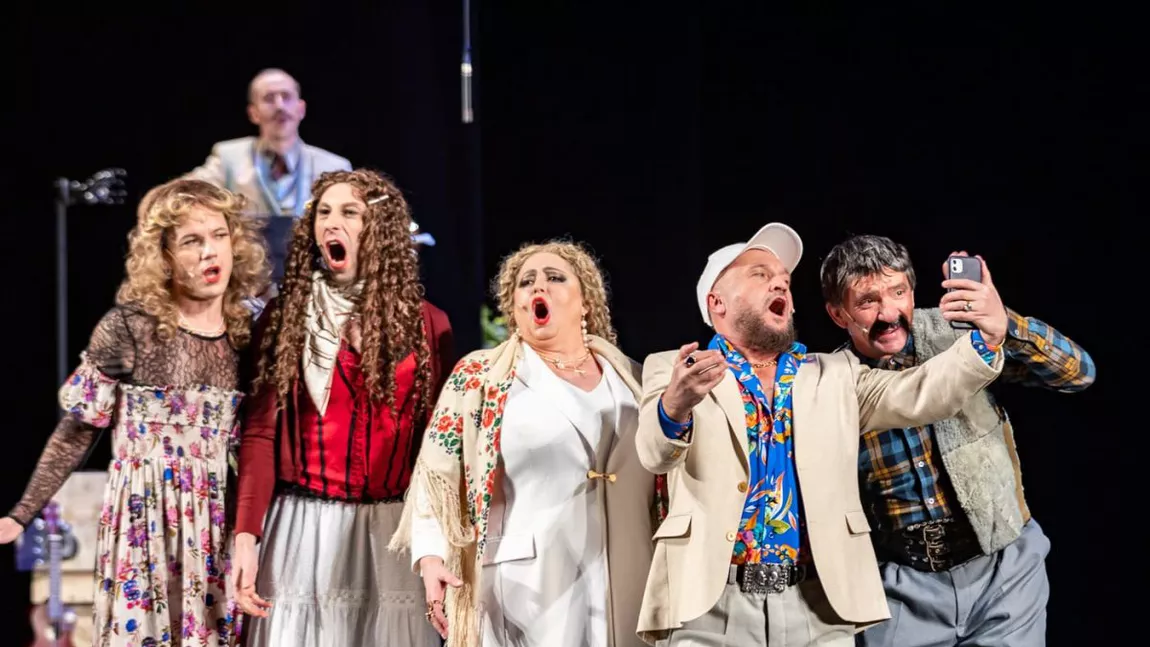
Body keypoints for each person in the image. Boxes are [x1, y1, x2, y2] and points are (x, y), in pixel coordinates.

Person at [634, 223, 1007, 647]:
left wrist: (987, 339)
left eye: (785, 280)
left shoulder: (835, 373)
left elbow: (919, 390)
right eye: (759, 274)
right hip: (710, 605)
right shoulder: (673, 369)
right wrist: (675, 405)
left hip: (817, 608)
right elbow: (654, 454)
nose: (780, 282)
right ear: (716, 302)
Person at [0, 179, 270, 646]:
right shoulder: (129, 328)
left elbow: (265, 435)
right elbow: (78, 431)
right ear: (163, 255)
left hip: (218, 522)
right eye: (192, 241)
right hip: (144, 523)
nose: (211, 252)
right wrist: (22, 513)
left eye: (219, 235)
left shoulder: (251, 329)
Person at [819, 235, 1095, 647]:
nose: (888, 313)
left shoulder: (960, 333)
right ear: (838, 313)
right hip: (900, 589)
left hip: (1003, 570)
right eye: (867, 301)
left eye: (898, 292)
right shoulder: (829, 384)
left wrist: (1005, 324)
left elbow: (1078, 373)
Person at [389, 240, 666, 647]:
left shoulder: (634, 380)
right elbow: (436, 476)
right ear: (515, 306)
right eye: (525, 282)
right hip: (524, 584)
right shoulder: (482, 377)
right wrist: (431, 558)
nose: (539, 286)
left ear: (585, 302)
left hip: (626, 572)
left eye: (555, 278)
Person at [232, 169, 454, 646]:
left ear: (380, 230)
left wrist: (436, 546)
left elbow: (437, 448)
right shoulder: (286, 318)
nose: (332, 223)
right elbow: (260, 433)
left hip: (394, 532)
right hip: (305, 528)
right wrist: (246, 536)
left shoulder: (427, 325)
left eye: (349, 212)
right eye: (324, 213)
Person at [186, 68, 352, 287]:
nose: (280, 106)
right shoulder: (229, 157)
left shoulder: (333, 166)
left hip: (312, 282)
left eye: (286, 97)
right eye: (269, 98)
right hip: (247, 284)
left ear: (301, 109)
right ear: (253, 113)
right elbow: (183, 194)